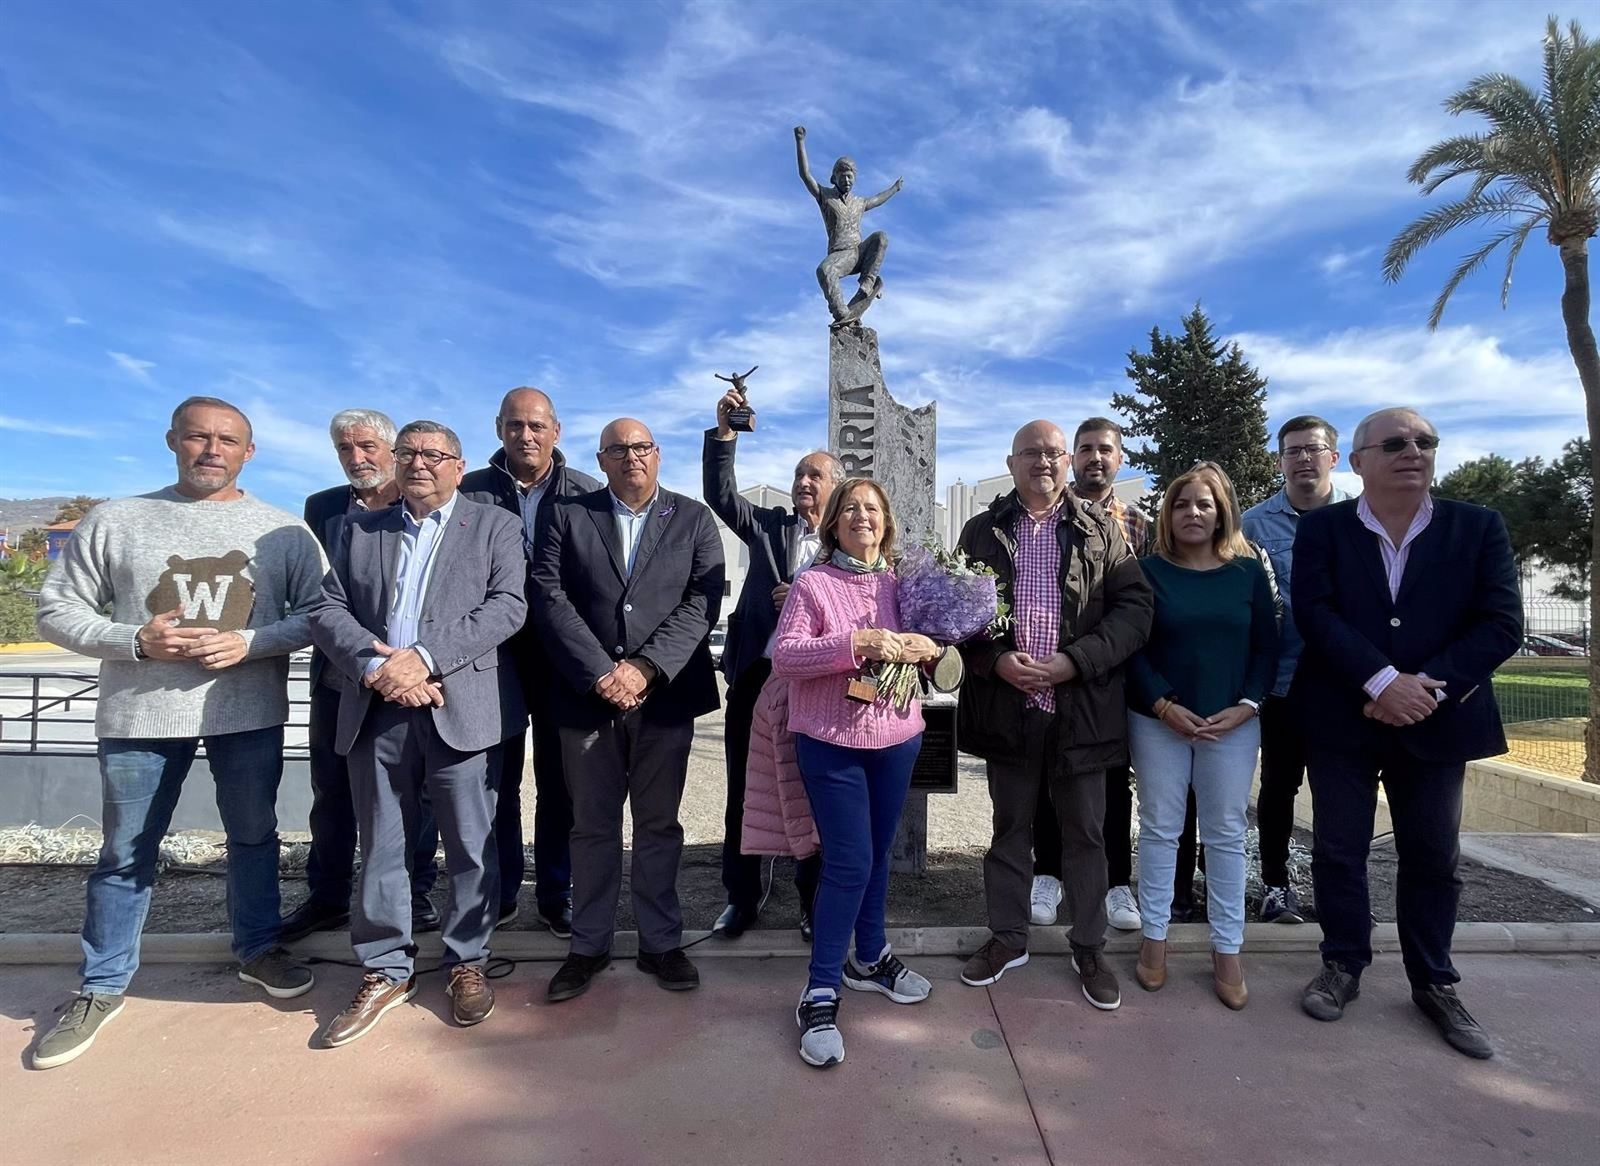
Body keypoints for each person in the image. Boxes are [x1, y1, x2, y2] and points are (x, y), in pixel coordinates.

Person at [32, 396, 325, 1070]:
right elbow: (57, 609)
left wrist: (250, 642)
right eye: (198, 436)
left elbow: (319, 614)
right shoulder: (118, 520)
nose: (212, 449)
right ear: (173, 440)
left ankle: (257, 949)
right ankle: (102, 983)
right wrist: (132, 638)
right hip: (140, 719)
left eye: (228, 439)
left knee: (253, 838)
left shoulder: (282, 530)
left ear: (250, 452)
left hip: (245, 716)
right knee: (127, 851)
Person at [1293, 408, 1520, 1059]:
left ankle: (1435, 981)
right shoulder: (1325, 531)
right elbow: (1316, 614)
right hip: (1343, 719)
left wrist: (1421, 689)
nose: (1413, 451)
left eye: (1425, 441)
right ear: (1360, 461)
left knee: (1433, 858)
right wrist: (1380, 679)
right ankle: (1343, 966)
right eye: (1395, 443)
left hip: (1439, 721)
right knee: (1339, 850)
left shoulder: (1478, 528)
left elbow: (1500, 624)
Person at [311, 420, 528, 1046]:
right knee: (380, 843)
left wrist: (424, 657)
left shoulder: (494, 525)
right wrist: (380, 667)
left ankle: (467, 960)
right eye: (408, 453)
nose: (420, 464)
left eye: (435, 455)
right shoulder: (357, 529)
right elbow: (326, 610)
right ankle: (384, 967)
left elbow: (508, 606)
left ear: (460, 466)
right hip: (377, 707)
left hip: (461, 705)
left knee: (469, 844)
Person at [955, 422, 1152, 1012]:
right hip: (1008, 707)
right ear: (1011, 462)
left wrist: (1074, 662)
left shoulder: (1102, 530)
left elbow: (1136, 610)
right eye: (1030, 453)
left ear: (1066, 462)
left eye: (1051, 453)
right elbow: (953, 616)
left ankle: (1088, 946)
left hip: (1081, 709)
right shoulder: (981, 532)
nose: (1042, 461)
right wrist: (993, 661)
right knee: (1009, 832)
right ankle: (1008, 937)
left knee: (1086, 836)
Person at [532, 419, 725, 1002]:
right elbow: (548, 593)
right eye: (618, 450)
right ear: (601, 459)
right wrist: (600, 672)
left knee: (659, 824)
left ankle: (659, 942)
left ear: (658, 455)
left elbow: (702, 602)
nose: (631, 458)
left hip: (664, 698)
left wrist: (643, 667)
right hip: (585, 697)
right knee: (590, 826)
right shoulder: (568, 513)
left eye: (641, 447)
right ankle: (588, 945)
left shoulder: (692, 518)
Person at [773, 477, 940, 1068]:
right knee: (846, 861)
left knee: (877, 853)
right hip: (832, 744)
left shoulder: (905, 585)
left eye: (871, 508)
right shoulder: (813, 584)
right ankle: (820, 988)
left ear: (886, 521)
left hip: (898, 739)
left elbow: (939, 650)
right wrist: (856, 642)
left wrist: (935, 651)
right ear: (834, 522)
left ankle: (869, 955)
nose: (861, 516)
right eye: (850, 508)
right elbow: (785, 655)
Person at [281, 408, 442, 943]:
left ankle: (415, 893)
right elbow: (322, 599)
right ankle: (327, 896)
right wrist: (366, 661)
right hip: (342, 673)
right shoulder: (323, 507)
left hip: (418, 676)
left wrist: (414, 664)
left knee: (414, 792)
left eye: (369, 447)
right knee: (331, 789)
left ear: (394, 450)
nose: (358, 458)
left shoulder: (427, 498)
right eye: (346, 449)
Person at [1126, 462, 1277, 1011]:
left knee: (1226, 835)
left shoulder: (1246, 573)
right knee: (1162, 829)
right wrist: (1164, 705)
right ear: (1169, 513)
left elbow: (1267, 646)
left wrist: (1248, 705)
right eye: (1183, 503)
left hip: (1231, 725)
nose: (1193, 512)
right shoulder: (1146, 572)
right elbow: (1133, 649)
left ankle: (1227, 949)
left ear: (1222, 513)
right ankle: (1154, 939)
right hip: (1160, 722)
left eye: (1204, 504)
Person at [459, 387, 600, 937]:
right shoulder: (468, 494)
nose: (526, 435)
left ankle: (556, 891)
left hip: (563, 658)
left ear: (556, 432)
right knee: (495, 781)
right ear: (498, 428)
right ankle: (501, 888)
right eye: (515, 425)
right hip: (491, 659)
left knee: (560, 782)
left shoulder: (586, 495)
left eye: (537, 426)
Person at [702, 386, 836, 938]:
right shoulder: (769, 527)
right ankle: (742, 896)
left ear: (838, 488)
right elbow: (721, 495)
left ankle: (813, 902)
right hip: (758, 679)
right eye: (799, 474)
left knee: (813, 795)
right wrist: (725, 434)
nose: (804, 483)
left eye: (816, 476)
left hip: (818, 684)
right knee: (744, 790)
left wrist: (806, 595)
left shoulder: (849, 543)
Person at [1030, 415, 1153, 935]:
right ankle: (1049, 874)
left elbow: (1141, 604)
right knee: (1044, 774)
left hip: (1112, 675)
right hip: (1048, 674)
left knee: (1110, 782)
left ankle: (1118, 881)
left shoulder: (1142, 527)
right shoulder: (1050, 514)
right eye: (1085, 449)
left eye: (1105, 449)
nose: (1094, 458)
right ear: (1070, 458)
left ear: (1119, 459)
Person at [1241, 415, 1352, 924]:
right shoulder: (1253, 525)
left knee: (1340, 792)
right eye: (1293, 451)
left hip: (1347, 684)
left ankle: (1341, 894)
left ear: (1333, 456)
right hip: (1282, 683)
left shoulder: (1361, 518)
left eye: (1313, 449)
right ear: (1280, 460)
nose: (1304, 458)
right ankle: (1275, 886)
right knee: (1279, 788)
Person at [794, 125, 903, 323]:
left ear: (855, 178)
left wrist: (894, 189)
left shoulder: (859, 202)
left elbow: (878, 198)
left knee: (881, 237)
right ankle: (840, 311)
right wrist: (800, 141)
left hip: (858, 253)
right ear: (834, 178)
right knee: (824, 271)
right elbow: (805, 174)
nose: (846, 179)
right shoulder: (825, 196)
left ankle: (867, 282)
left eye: (850, 175)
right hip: (839, 256)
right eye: (842, 175)